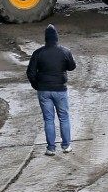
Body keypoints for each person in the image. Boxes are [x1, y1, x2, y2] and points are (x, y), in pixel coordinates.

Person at [26, 24, 77, 156]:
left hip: (44, 91)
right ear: (56, 38)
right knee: (64, 118)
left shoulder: (38, 53)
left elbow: (30, 72)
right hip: (60, 89)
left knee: (48, 119)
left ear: (46, 39)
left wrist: (37, 85)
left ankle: (51, 148)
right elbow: (72, 67)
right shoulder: (64, 51)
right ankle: (66, 146)